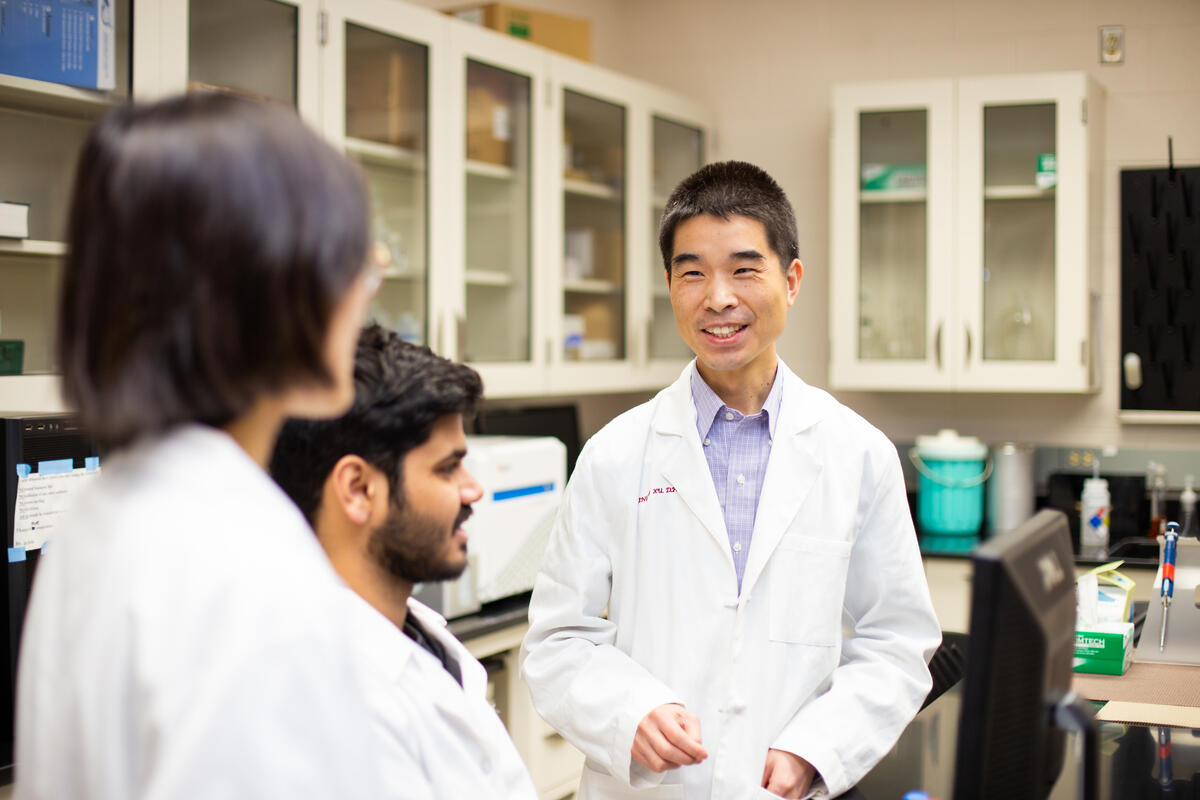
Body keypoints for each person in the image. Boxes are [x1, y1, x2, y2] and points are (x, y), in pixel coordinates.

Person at [521, 161, 942, 799]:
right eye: (692, 273)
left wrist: (817, 748)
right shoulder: (614, 455)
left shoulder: (858, 454)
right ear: (669, 285)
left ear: (791, 281)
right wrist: (628, 712)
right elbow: (558, 639)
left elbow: (897, 641)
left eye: (744, 270)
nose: (718, 298)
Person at [16, 92, 388, 799]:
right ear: (271, 286)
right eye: (353, 263)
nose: (363, 292)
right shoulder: (240, 558)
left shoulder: (114, 505)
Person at [270, 324, 538, 800]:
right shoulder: (336, 705)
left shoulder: (413, 632)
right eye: (447, 467)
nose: (474, 489)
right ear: (359, 489)